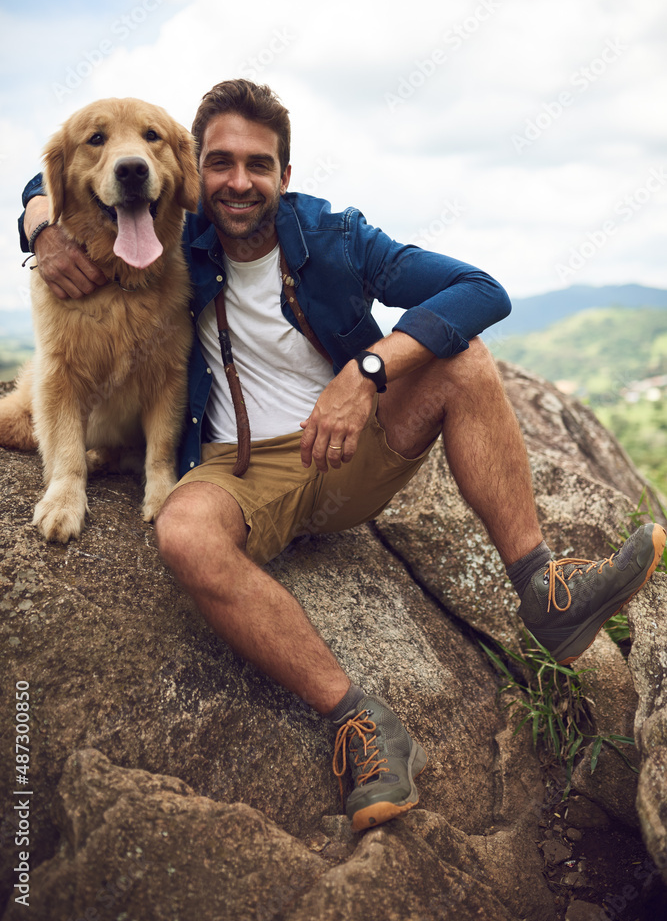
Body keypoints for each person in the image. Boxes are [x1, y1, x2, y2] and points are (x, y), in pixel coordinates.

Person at [19, 80, 666, 833]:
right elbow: (74, 166)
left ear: (284, 177)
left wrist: (365, 375)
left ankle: (544, 587)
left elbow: (479, 289)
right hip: (238, 469)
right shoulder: (173, 235)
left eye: (257, 165)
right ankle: (358, 722)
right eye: (219, 162)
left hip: (349, 452)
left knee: (465, 361)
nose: (237, 182)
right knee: (182, 534)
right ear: (196, 171)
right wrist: (39, 222)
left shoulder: (333, 236)